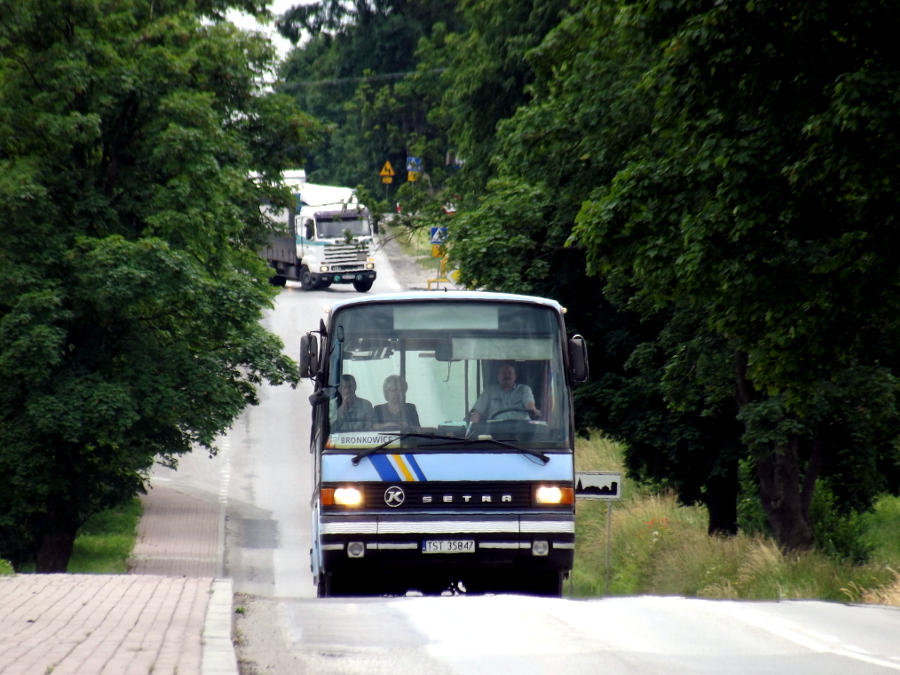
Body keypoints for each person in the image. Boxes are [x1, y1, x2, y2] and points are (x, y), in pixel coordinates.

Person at [469, 362, 541, 423]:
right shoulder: (489, 391)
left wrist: (533, 411)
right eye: (503, 373)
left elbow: (530, 406)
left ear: (515, 376)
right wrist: (471, 431)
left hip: (521, 430)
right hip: (495, 432)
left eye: (509, 373)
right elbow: (477, 412)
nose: (506, 376)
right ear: (498, 377)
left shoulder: (524, 390)